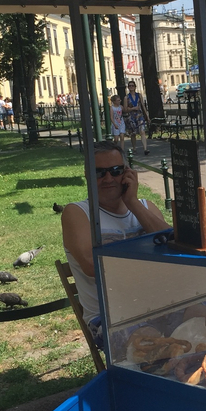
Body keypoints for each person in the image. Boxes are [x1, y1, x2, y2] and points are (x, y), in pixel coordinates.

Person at [61, 140, 166, 344]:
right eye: (99, 173)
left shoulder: (145, 207)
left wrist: (133, 203)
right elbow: (93, 266)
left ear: (127, 173)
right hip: (109, 318)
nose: (108, 178)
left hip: (160, 304)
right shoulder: (77, 213)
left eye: (116, 171)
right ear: (88, 176)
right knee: (157, 347)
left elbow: (174, 245)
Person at [123, 80, 150, 155]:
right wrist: (133, 108)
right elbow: (125, 109)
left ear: (135, 87)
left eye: (132, 86)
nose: (131, 87)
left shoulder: (139, 95)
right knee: (133, 133)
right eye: (130, 86)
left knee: (142, 131)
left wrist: (146, 116)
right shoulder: (126, 98)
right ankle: (134, 148)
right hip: (131, 117)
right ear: (128, 88)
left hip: (139, 115)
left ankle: (145, 149)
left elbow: (143, 106)